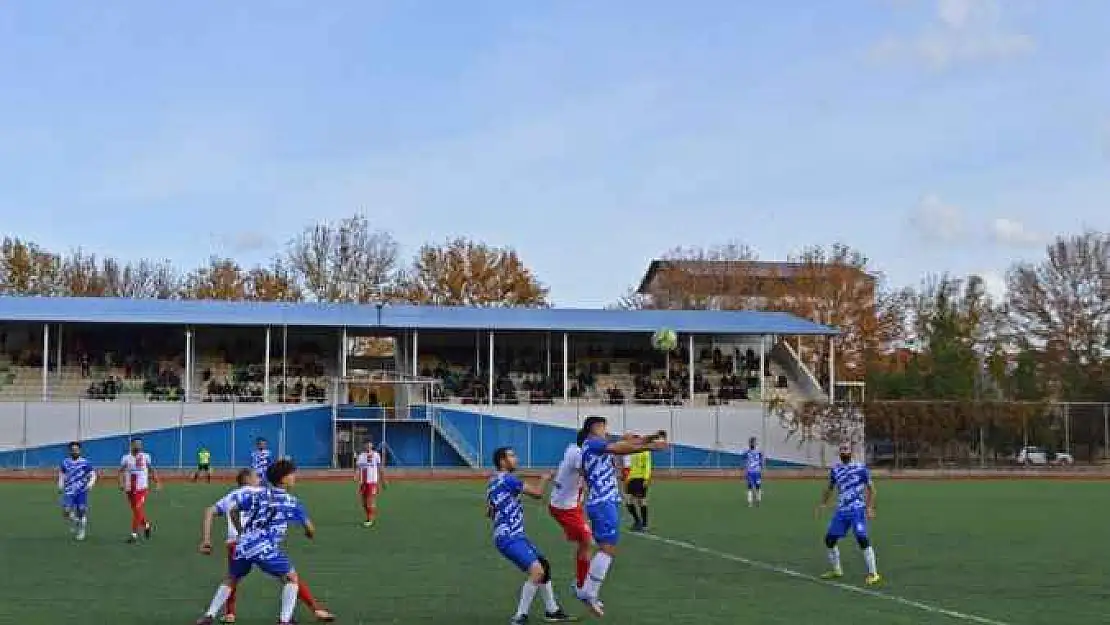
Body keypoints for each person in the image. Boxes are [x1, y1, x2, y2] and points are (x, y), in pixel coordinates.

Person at [194, 459, 329, 625]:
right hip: (264, 548)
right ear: (283, 479)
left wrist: (242, 532)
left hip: (243, 546)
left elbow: (234, 511)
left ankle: (209, 616)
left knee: (231, 578)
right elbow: (310, 528)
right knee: (292, 578)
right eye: (292, 475)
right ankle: (284, 620)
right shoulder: (292, 502)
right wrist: (309, 533)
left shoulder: (258, 494)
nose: (295, 477)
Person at [575, 417, 667, 617]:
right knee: (608, 549)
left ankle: (587, 590)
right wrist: (650, 447)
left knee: (605, 548)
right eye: (604, 427)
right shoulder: (592, 443)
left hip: (602, 502)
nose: (606, 431)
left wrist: (649, 438)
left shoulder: (593, 445)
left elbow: (626, 442)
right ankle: (589, 592)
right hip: (602, 502)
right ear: (595, 428)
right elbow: (620, 448)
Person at [487, 446, 576, 624]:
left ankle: (552, 611)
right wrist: (544, 479)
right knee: (537, 572)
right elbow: (537, 494)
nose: (516, 459)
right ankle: (520, 616)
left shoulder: (494, 481)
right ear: (502, 461)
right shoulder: (509, 479)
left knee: (544, 566)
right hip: (510, 536)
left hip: (512, 534)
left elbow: (489, 510)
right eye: (512, 456)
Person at [816, 442, 880, 586]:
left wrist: (869, 508)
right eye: (842, 450)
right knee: (829, 540)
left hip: (857, 509)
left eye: (847, 449)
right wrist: (823, 504)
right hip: (841, 511)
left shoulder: (861, 468)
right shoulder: (835, 470)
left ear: (852, 452)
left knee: (862, 538)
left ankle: (873, 573)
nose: (844, 452)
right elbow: (829, 488)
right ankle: (837, 570)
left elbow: (872, 489)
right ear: (840, 453)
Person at [548, 435, 592, 590]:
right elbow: (588, 473)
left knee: (585, 541)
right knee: (586, 539)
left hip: (569, 504)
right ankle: (582, 584)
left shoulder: (573, 449)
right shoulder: (577, 453)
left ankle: (582, 581)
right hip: (564, 507)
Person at [119, 437, 160, 543]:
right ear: (131, 445)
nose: (138, 446)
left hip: (142, 488)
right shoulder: (125, 458)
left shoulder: (146, 456)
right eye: (136, 444)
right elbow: (120, 471)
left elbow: (151, 470)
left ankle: (133, 534)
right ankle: (146, 525)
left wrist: (157, 482)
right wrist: (121, 483)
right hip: (130, 488)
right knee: (136, 511)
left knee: (137, 509)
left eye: (140, 444)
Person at [58, 441, 96, 541]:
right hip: (69, 491)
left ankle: (81, 532)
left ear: (80, 450)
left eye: (76, 450)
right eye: (72, 450)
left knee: (81, 512)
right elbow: (61, 475)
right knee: (66, 512)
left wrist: (90, 484)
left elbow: (93, 475)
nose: (75, 451)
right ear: (69, 451)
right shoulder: (65, 462)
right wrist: (60, 485)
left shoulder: (85, 462)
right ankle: (75, 521)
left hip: (81, 491)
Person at [354, 439, 385, 527]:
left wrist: (383, 481)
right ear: (364, 446)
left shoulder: (376, 455)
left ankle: (370, 519)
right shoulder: (361, 456)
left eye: (369, 445)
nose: (368, 446)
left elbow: (380, 468)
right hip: (363, 482)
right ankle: (369, 516)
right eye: (366, 445)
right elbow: (358, 468)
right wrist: (356, 475)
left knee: (369, 501)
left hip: (373, 482)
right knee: (364, 503)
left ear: (372, 445)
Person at [624, 443, 652, 532]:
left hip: (641, 478)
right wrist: (627, 478)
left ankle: (645, 524)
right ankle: (637, 521)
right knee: (628, 501)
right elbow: (629, 466)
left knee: (641, 501)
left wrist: (646, 478)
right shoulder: (632, 451)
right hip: (631, 478)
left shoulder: (645, 451)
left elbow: (647, 465)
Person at [743, 437, 765, 508]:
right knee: (749, 487)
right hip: (750, 472)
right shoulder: (747, 451)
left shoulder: (759, 451)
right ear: (751, 443)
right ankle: (750, 502)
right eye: (754, 442)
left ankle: (758, 500)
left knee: (758, 486)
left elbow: (762, 459)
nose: (755, 443)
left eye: (755, 442)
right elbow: (745, 460)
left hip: (757, 472)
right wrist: (745, 469)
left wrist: (762, 467)